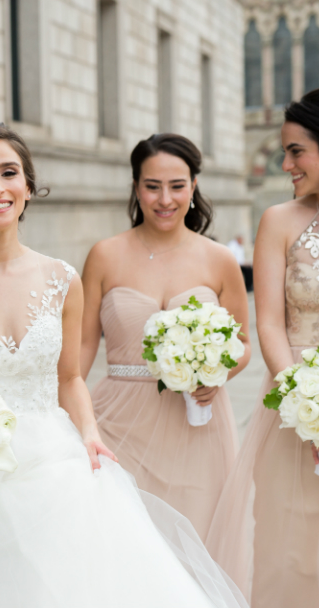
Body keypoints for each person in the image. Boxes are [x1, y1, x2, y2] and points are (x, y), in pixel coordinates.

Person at [0, 122, 247, 607]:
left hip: (56, 467)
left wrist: (90, 435)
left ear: (29, 188)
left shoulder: (61, 279)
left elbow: (70, 378)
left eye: (9, 173)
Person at [207, 84, 319, 607]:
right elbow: (270, 326)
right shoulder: (277, 221)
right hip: (291, 403)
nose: (286, 163)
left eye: (296, 150)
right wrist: (303, 401)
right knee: (292, 545)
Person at [80, 133, 251, 539]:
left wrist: (217, 375)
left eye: (177, 186)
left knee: (196, 537)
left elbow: (243, 344)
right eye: (152, 186)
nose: (164, 199)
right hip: (117, 422)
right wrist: (68, 414)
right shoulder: (105, 254)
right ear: (136, 187)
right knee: (123, 541)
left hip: (196, 424)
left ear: (193, 186)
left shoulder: (220, 259)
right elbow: (84, 344)